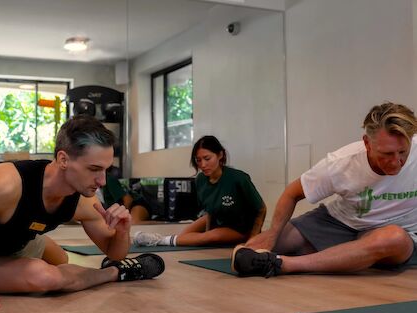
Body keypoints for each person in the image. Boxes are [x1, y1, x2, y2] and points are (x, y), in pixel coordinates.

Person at [0, 117, 164, 312]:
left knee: (63, 262)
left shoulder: (81, 200)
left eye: (106, 170)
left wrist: (122, 231)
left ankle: (84, 265)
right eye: (94, 169)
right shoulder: (6, 185)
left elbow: (114, 252)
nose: (102, 181)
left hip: (16, 243)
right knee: (43, 276)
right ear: (63, 159)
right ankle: (114, 273)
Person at [231, 102, 417, 277]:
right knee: (249, 252)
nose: (396, 161)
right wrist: (271, 235)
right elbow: (292, 193)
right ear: (367, 143)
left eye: (403, 152)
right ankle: (342, 254)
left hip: (394, 232)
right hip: (339, 223)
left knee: (394, 238)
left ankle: (286, 264)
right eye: (386, 154)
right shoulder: (342, 162)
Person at [133, 135, 266, 246]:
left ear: (220, 155)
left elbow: (261, 209)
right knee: (185, 237)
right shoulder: (201, 180)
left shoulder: (238, 178)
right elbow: (210, 212)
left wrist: (252, 240)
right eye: (198, 160)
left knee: (210, 236)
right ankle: (167, 238)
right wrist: (206, 238)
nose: (203, 165)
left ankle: (159, 240)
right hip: (218, 220)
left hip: (241, 229)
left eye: (207, 159)